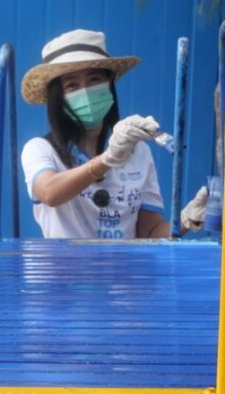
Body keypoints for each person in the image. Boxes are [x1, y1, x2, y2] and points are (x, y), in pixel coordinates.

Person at [19, 28, 183, 240]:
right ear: (57, 97)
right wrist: (107, 159)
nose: (86, 91)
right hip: (62, 262)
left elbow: (149, 234)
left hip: (125, 263)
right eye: (72, 85)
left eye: (95, 79)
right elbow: (50, 192)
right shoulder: (40, 149)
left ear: (109, 85)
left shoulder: (139, 152)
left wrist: (188, 219)